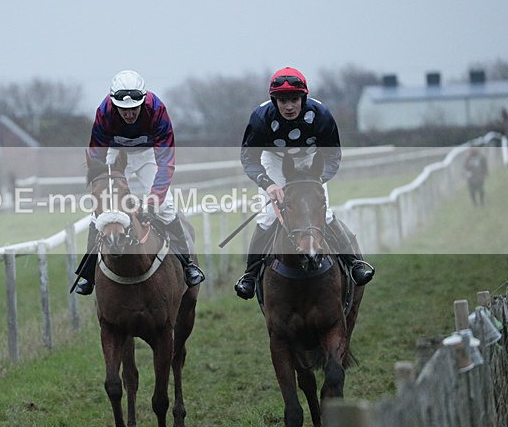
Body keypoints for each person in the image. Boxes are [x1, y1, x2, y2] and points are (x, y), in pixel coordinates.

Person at [234, 67, 374, 301]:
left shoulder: (321, 115)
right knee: (268, 216)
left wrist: (317, 181)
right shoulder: (260, 118)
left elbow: (333, 156)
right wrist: (268, 184)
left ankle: (354, 264)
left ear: (303, 99)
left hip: (311, 159)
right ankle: (249, 276)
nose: (289, 106)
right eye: (283, 101)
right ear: (274, 101)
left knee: (325, 213)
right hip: (274, 160)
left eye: (294, 100)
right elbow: (249, 157)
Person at [73, 69, 205, 295]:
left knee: (166, 207)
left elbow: (166, 162)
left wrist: (155, 198)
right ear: (115, 105)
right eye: (124, 110)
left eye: (134, 108)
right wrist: (99, 187)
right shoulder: (104, 111)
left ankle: (188, 264)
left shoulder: (157, 109)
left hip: (148, 155)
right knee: (100, 213)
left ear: (142, 102)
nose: (129, 114)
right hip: (115, 153)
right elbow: (96, 156)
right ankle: (88, 273)